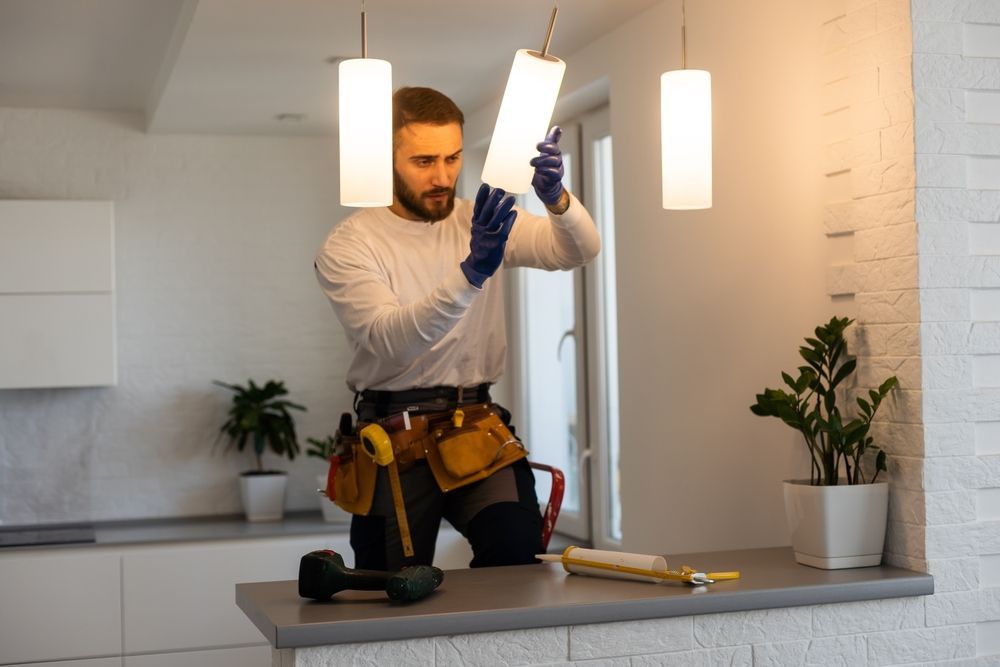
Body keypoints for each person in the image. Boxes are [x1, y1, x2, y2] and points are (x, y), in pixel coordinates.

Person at [314, 86, 600, 571]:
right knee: (390, 588)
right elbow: (393, 341)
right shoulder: (350, 245)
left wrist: (558, 201)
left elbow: (577, 251)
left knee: (516, 556)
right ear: (386, 158)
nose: (443, 176)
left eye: (452, 158)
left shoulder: (478, 219)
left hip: (476, 426)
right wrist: (472, 273)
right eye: (423, 161)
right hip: (392, 438)